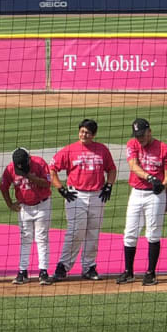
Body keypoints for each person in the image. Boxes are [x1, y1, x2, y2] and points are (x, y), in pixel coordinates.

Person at [50, 118, 116, 282]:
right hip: (76, 196)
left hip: (97, 196)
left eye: (87, 132)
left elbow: (112, 169)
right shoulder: (69, 150)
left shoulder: (102, 149)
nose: (83, 134)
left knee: (93, 232)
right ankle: (63, 266)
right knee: (75, 232)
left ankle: (89, 267)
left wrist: (109, 186)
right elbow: (52, 169)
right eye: (81, 131)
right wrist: (61, 189)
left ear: (94, 134)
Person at [120, 118, 167, 286]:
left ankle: (151, 273)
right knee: (130, 232)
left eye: (142, 135)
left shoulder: (164, 149)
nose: (140, 139)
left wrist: (163, 188)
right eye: (137, 135)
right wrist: (151, 178)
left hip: (155, 195)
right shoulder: (132, 144)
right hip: (136, 193)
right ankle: (129, 272)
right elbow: (133, 166)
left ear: (149, 131)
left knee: (153, 233)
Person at [0, 148, 53, 286]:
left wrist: (29, 176)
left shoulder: (39, 163)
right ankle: (22, 272)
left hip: (42, 205)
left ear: (29, 159)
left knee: (41, 238)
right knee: (25, 239)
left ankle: (43, 271)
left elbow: (47, 183)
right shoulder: (10, 168)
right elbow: (3, 187)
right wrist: (10, 204)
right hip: (24, 207)